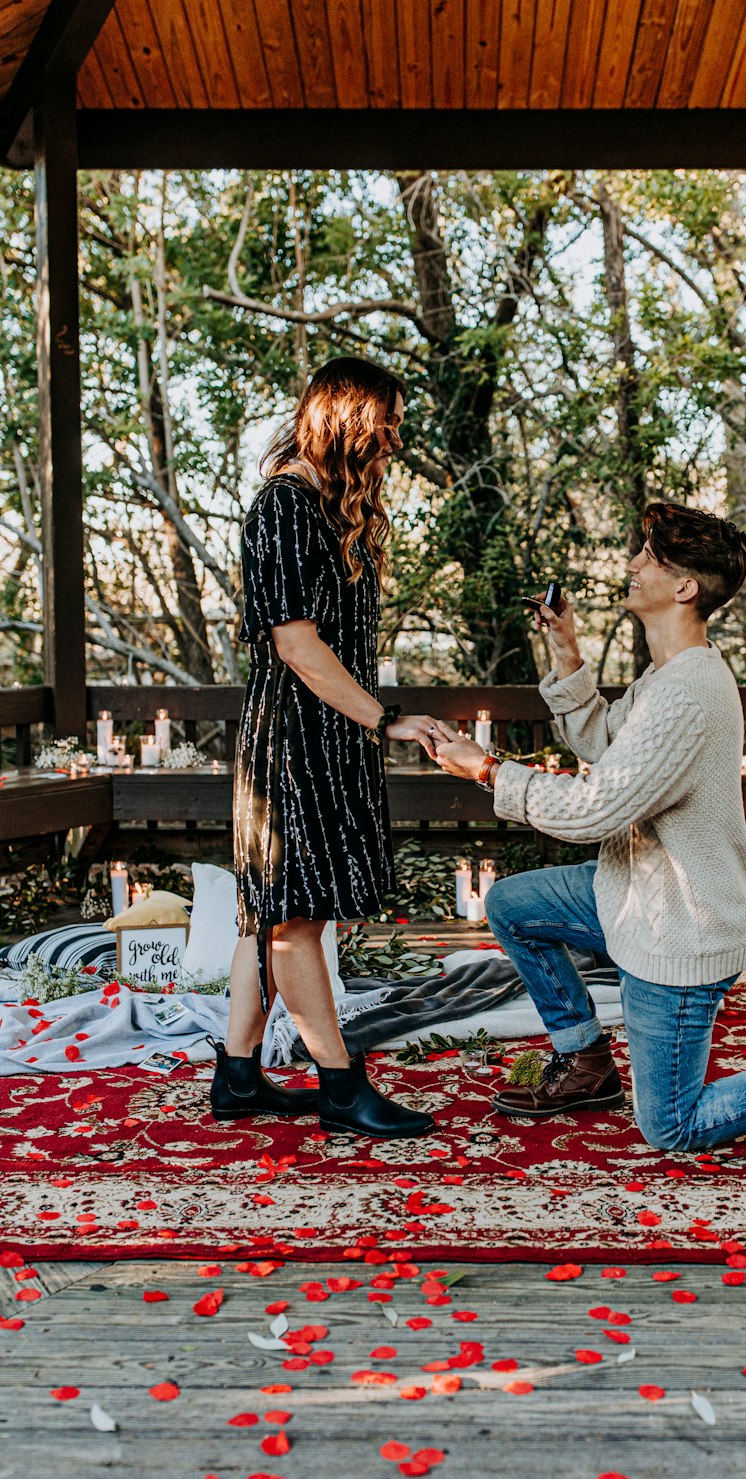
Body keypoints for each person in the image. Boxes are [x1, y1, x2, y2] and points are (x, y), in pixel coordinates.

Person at [432, 502, 746, 1150]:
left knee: (673, 1124)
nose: (632, 565)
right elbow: (602, 740)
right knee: (513, 903)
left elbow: (593, 808)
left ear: (685, 586)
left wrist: (489, 770)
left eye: (649, 558)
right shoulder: (667, 676)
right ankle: (587, 1062)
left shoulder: (689, 692)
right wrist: (566, 649)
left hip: (680, 933)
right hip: (631, 894)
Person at [211, 356, 446, 1139]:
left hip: (327, 734)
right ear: (348, 418)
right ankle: (341, 1084)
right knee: (295, 919)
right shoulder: (282, 505)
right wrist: (385, 720)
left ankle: (239, 1076)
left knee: (271, 912)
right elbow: (297, 646)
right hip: (292, 740)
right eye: (388, 423)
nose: (395, 441)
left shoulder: (328, 508)